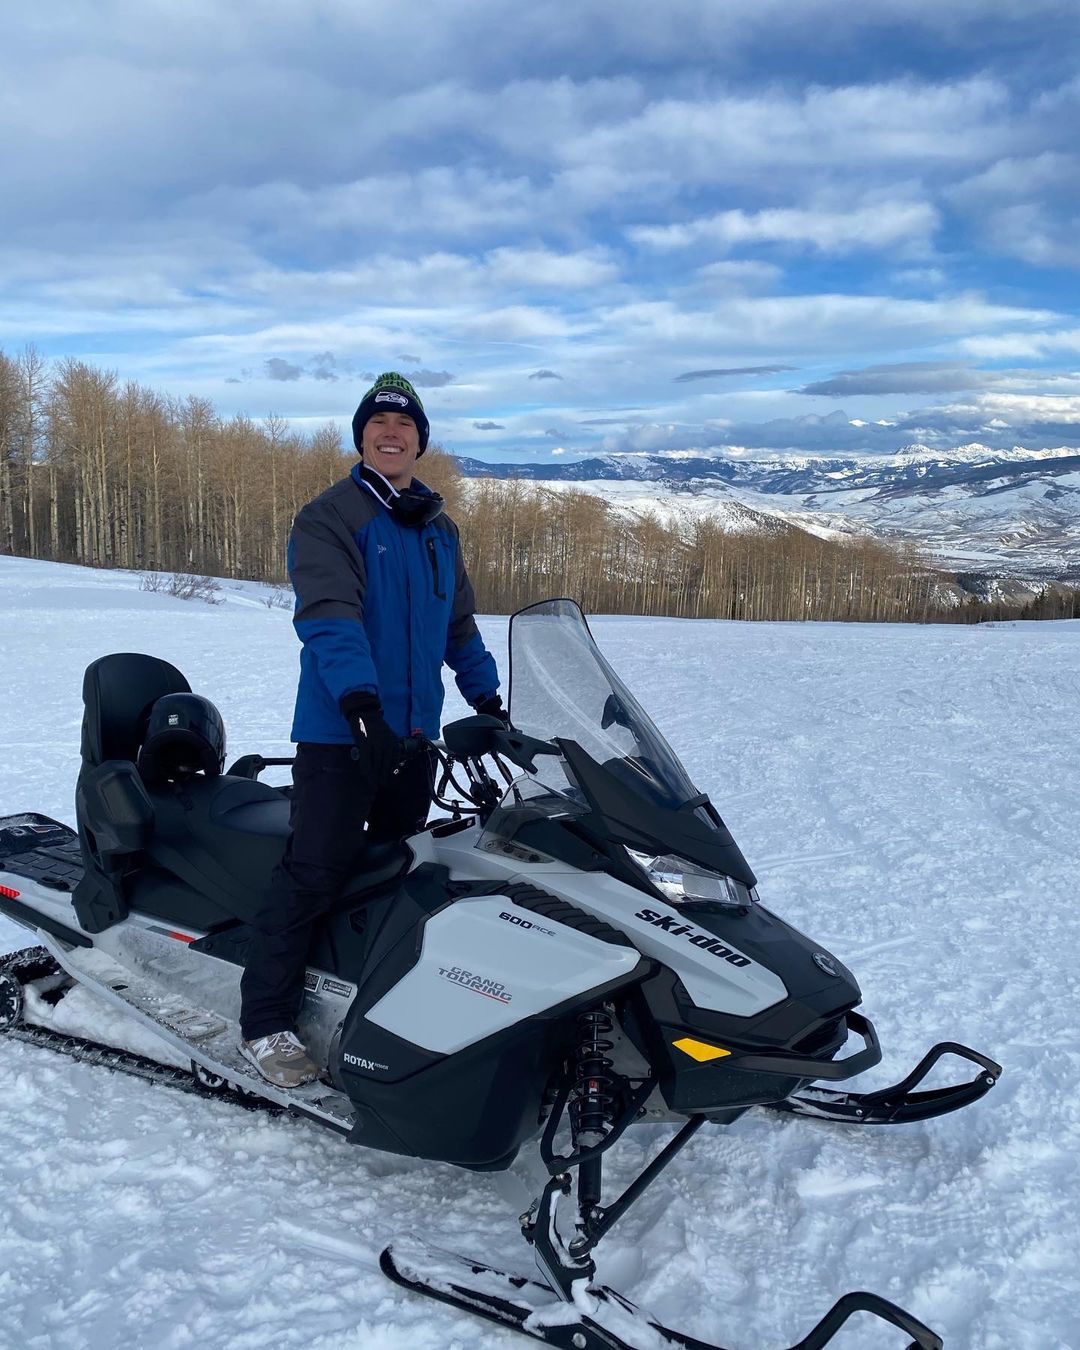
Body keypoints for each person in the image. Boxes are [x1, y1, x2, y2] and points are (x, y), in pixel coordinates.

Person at [238, 372, 505, 1087]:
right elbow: (331, 616)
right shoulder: (331, 517)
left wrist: (489, 700)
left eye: (405, 424)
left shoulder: (438, 529)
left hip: (411, 739)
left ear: (421, 441)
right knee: (314, 873)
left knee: (394, 874)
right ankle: (265, 1021)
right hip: (342, 733)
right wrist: (361, 706)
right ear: (361, 438)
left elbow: (458, 626)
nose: (392, 433)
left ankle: (364, 998)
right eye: (379, 423)